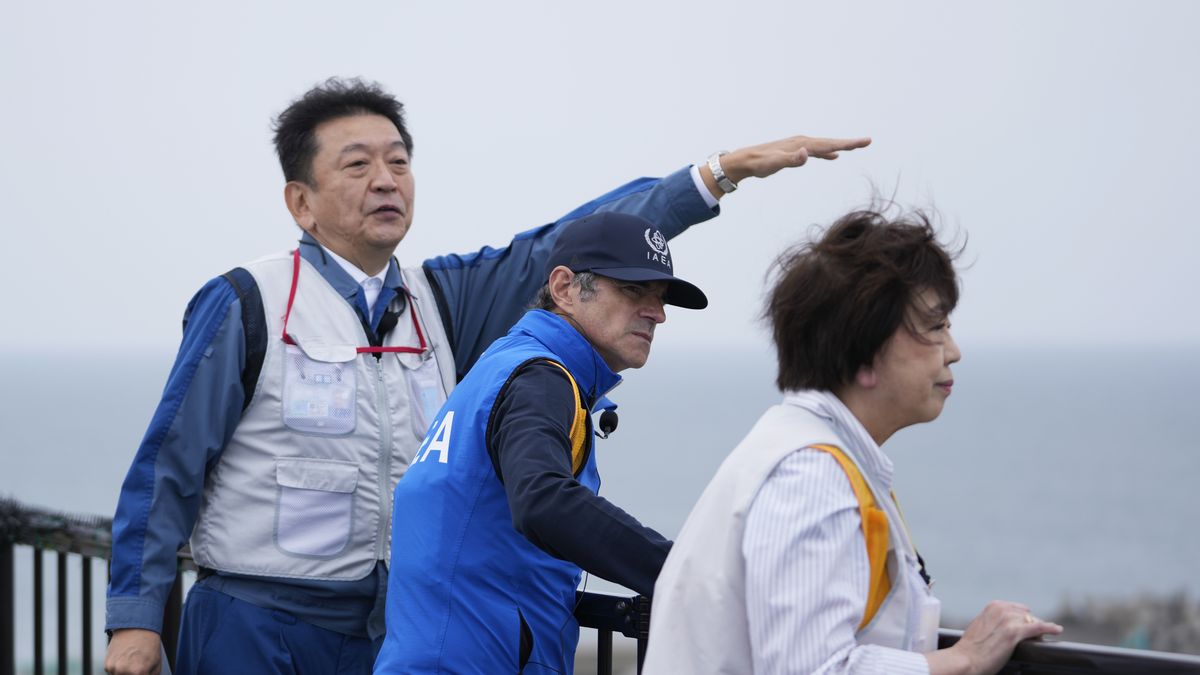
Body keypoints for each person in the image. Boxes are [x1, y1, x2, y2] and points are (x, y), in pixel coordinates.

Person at [102, 75, 871, 675]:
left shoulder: (440, 301)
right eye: (358, 164)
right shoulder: (249, 300)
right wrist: (135, 618)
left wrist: (713, 176)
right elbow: (168, 462)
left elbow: (563, 249)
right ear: (300, 201)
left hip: (386, 627)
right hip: (255, 623)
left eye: (399, 161)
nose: (386, 180)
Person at [642, 209, 1063, 675]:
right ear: (863, 352)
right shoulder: (810, 475)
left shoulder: (798, 448)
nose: (953, 351)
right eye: (935, 326)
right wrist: (964, 659)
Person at [375, 211, 707, 674]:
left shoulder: (506, 364)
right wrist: (686, 572)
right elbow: (543, 501)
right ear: (564, 288)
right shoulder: (542, 378)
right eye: (634, 290)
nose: (658, 313)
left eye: (660, 297)